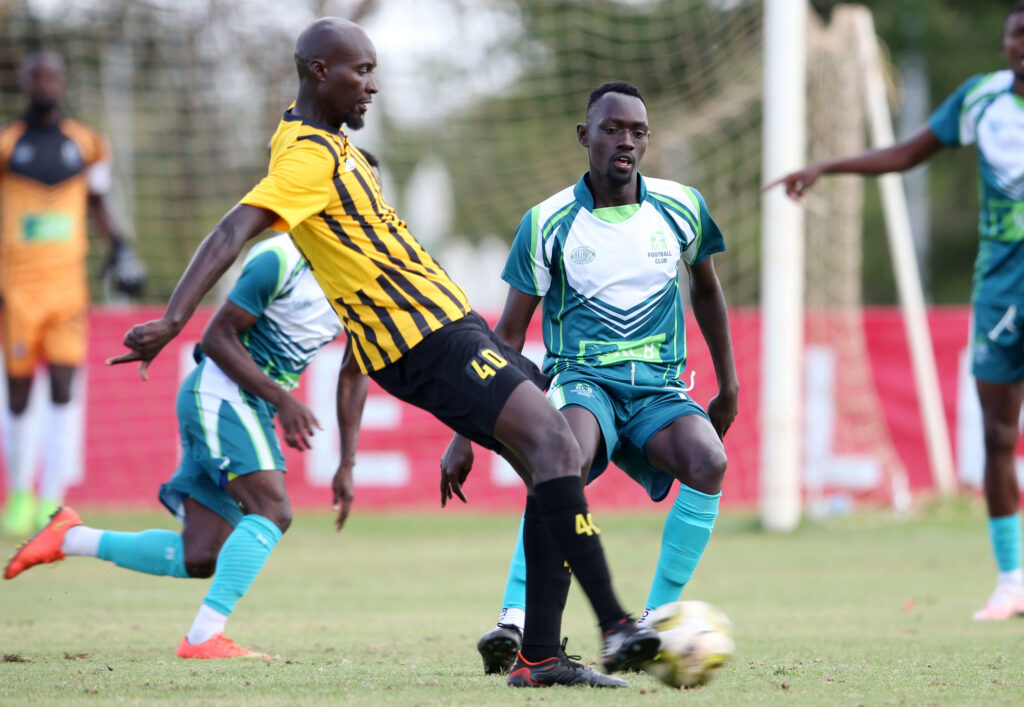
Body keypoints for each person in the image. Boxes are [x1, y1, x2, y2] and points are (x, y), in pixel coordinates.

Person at [100, 18, 656, 682]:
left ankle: (540, 655)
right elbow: (233, 230)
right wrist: (174, 317)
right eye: (360, 71)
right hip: (425, 339)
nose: (371, 86)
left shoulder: (333, 149)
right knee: (558, 448)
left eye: (373, 72)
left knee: (554, 463)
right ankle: (615, 625)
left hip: (450, 328)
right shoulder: (306, 157)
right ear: (318, 72)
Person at [436, 81, 738, 677]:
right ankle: (516, 618)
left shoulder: (682, 206)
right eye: (612, 128)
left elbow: (706, 290)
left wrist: (728, 386)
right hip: (582, 379)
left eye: (638, 132)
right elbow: (507, 336)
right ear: (584, 135)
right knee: (561, 462)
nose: (626, 141)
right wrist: (464, 433)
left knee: (709, 462)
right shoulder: (546, 222)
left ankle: (653, 622)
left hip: (658, 388)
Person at [765, 4, 1024, 622]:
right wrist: (827, 166)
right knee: (997, 434)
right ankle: (1012, 581)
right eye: (1019, 34)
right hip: (999, 286)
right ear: (1005, 44)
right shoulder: (980, 100)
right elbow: (909, 153)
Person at [5, 229, 366, 658]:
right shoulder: (281, 258)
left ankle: (70, 538)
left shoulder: (362, 280)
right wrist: (283, 398)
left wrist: (347, 463)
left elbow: (355, 371)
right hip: (221, 394)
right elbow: (216, 337)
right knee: (273, 510)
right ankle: (203, 637)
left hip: (248, 404)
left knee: (199, 555)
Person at [0, 51, 144, 536]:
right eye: (37, 77)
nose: (46, 84)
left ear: (61, 83)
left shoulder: (86, 144)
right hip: (18, 287)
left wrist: (120, 248)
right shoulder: (7, 145)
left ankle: (51, 498)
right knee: (18, 393)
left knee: (64, 390)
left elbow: (99, 201)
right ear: (25, 84)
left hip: (67, 287)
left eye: (52, 77)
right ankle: (19, 495)